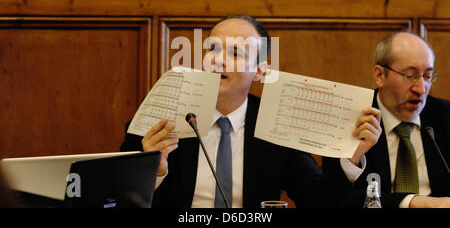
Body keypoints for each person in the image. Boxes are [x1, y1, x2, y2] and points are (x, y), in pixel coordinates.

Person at [120, 14, 381, 208]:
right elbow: (117, 196)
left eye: (235, 53)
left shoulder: (274, 126)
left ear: (260, 71)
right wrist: (154, 171)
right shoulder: (162, 116)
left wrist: (350, 157)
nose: (217, 60)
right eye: (212, 48)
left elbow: (318, 200)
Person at [323, 31, 450, 208]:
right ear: (380, 76)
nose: (421, 89)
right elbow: (335, 198)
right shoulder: (351, 118)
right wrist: (411, 202)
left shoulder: (445, 116)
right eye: (410, 75)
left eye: (427, 76)